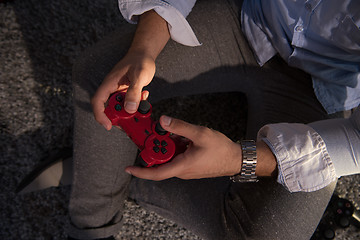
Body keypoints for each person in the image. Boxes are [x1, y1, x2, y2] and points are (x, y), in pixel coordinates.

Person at [67, 0, 360, 239]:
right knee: (105, 79)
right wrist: (144, 47)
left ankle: (104, 167)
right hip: (250, 18)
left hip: (325, 88)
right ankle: (93, 220)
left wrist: (240, 159)